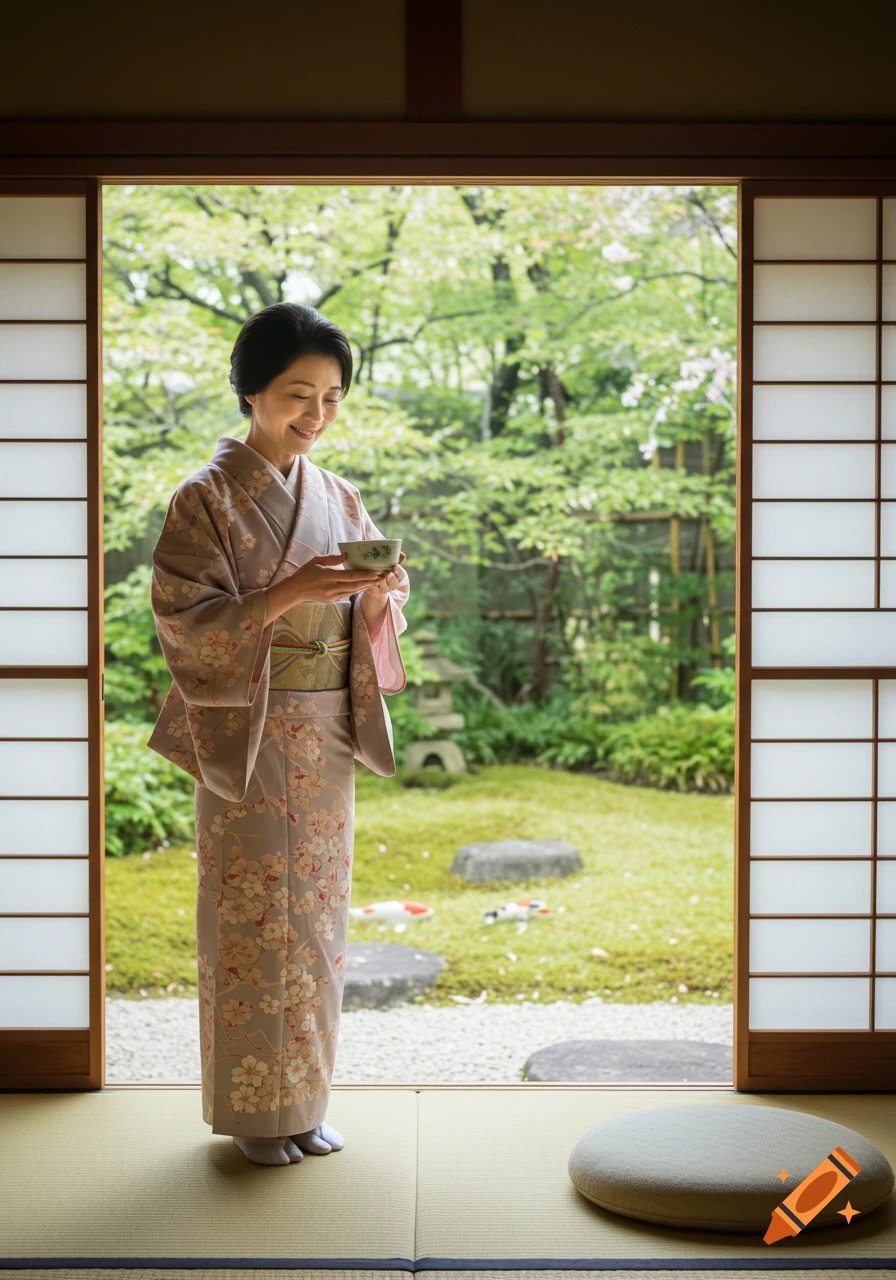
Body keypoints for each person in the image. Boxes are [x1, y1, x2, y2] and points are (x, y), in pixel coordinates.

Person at [147, 303, 410, 1166]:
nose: (317, 415)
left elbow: (370, 613)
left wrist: (376, 599)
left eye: (333, 397)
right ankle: (254, 1115)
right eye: (299, 393)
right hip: (251, 738)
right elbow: (186, 623)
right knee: (253, 921)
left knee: (319, 922)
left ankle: (303, 1102)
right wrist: (289, 594)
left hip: (324, 731)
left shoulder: (338, 495)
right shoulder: (206, 499)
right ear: (252, 390)